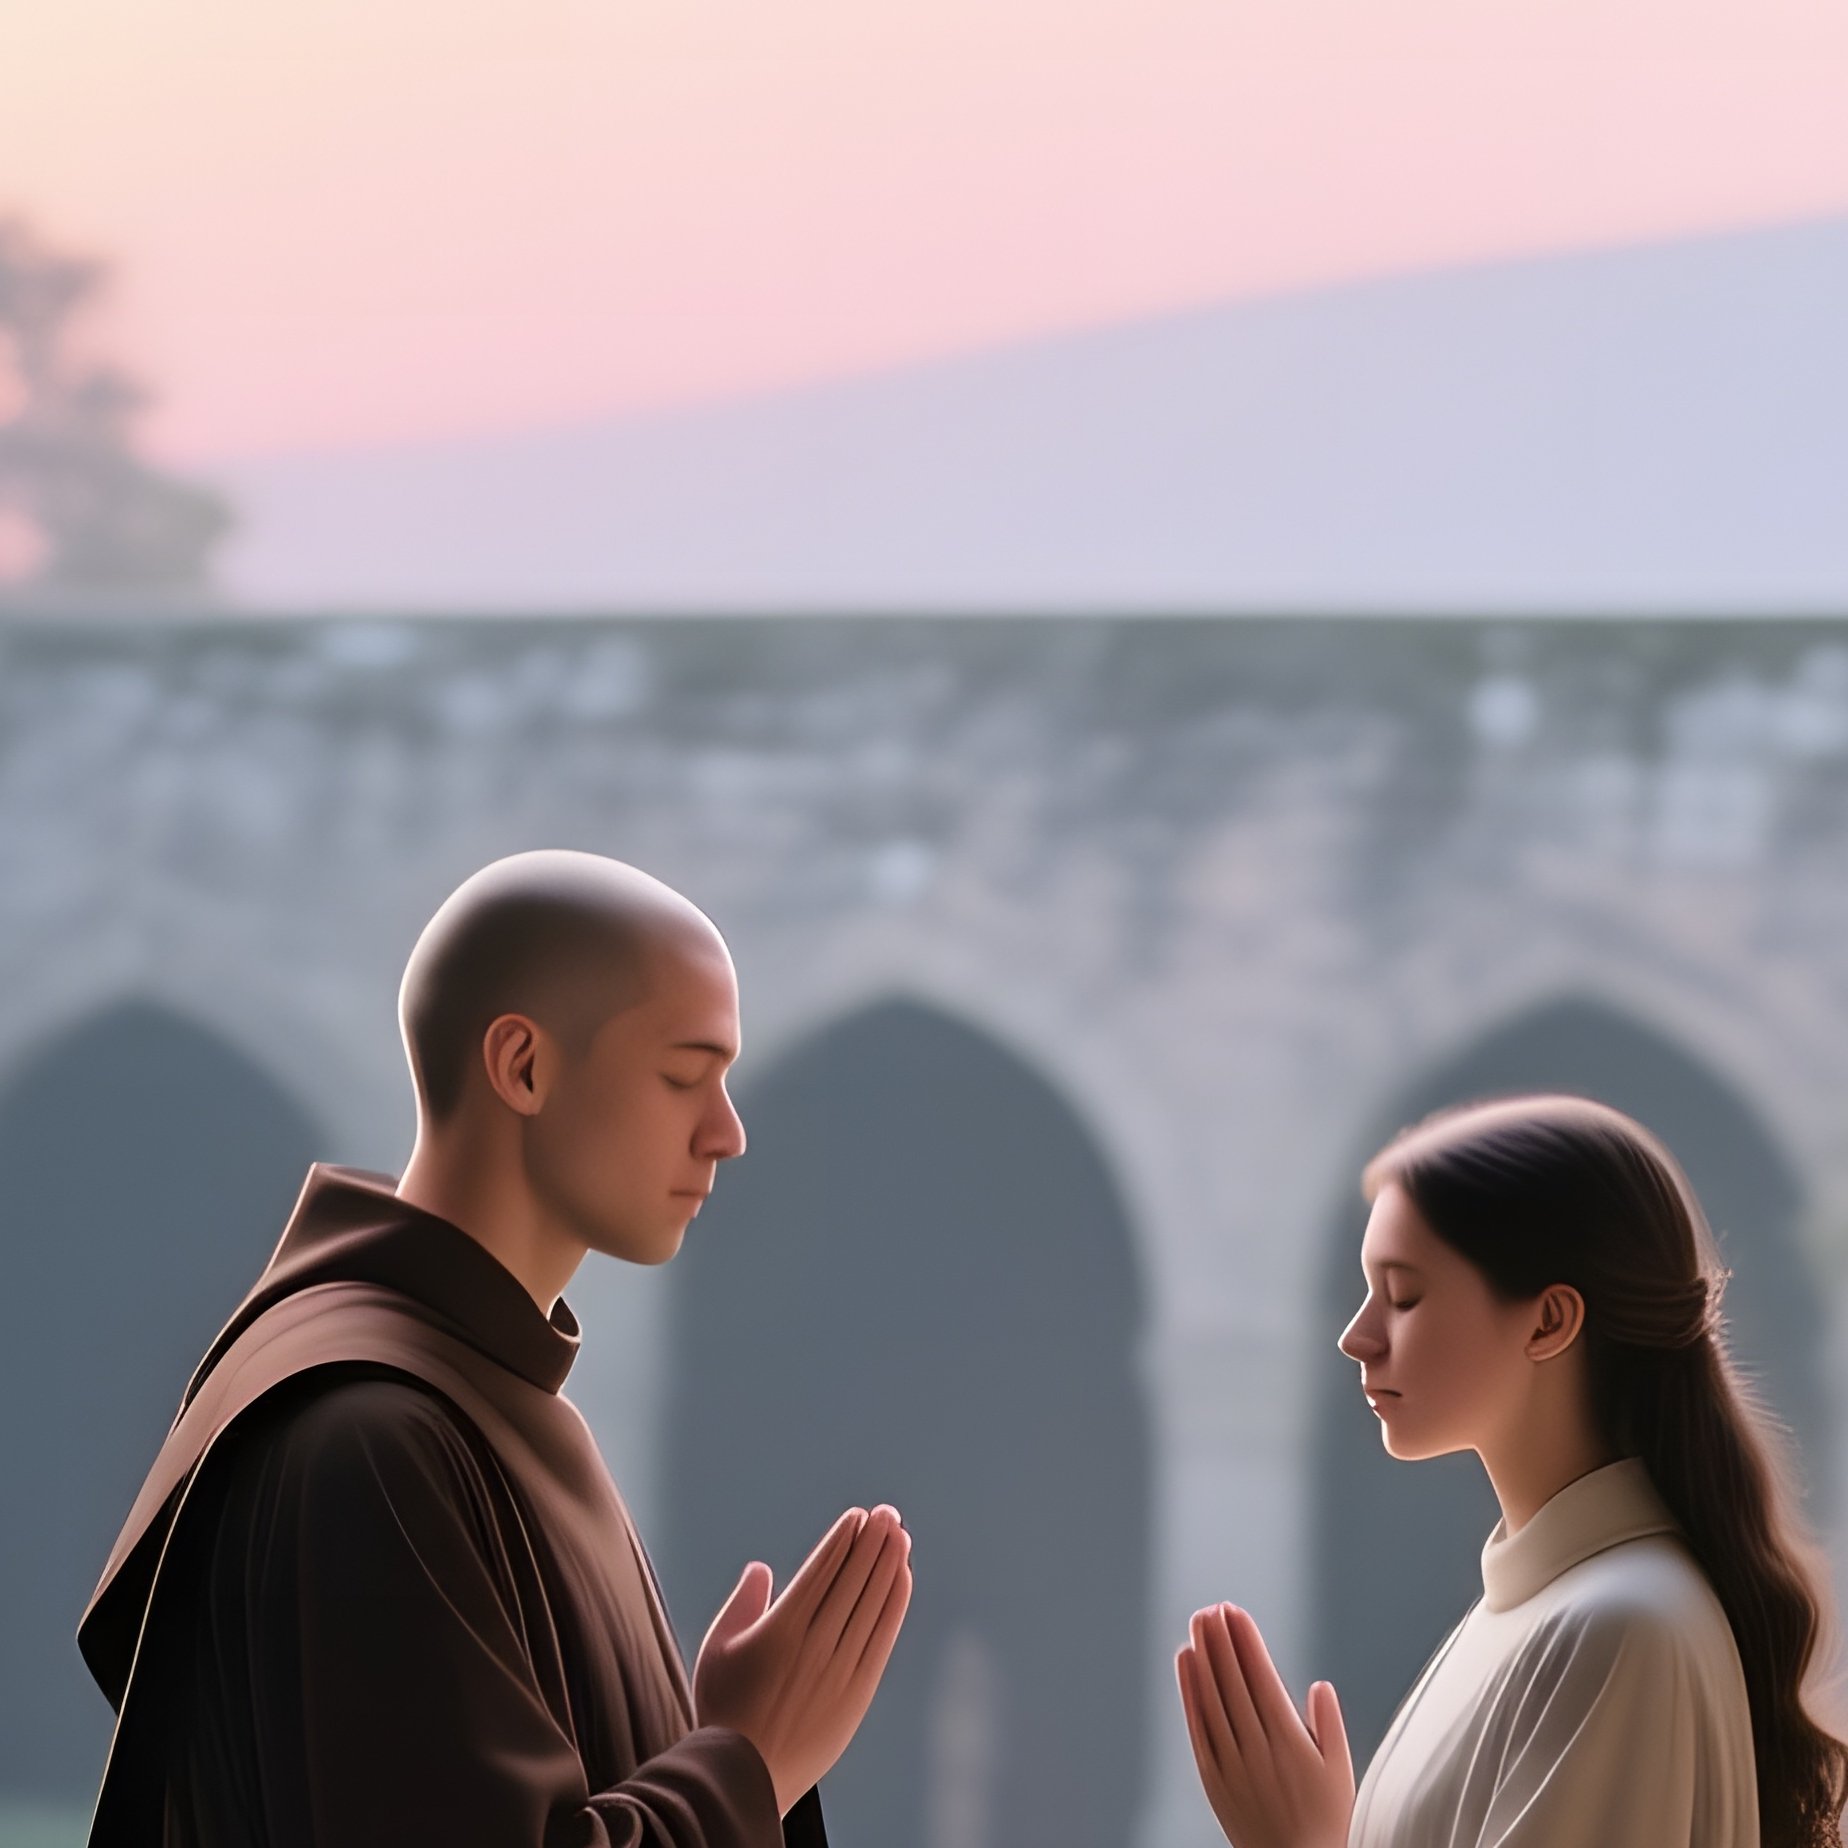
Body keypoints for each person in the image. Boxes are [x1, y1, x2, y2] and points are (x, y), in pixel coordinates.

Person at [78, 848, 913, 1848]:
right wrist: (747, 1761)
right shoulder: (370, 1441)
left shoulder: (489, 1404)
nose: (727, 1133)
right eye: (684, 1076)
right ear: (522, 1066)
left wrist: (718, 1751)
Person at [1175, 1093, 1847, 1848]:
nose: (1357, 1336)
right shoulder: (1538, 1612)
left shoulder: (1622, 1628)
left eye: (1404, 1295)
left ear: (1550, 1320)